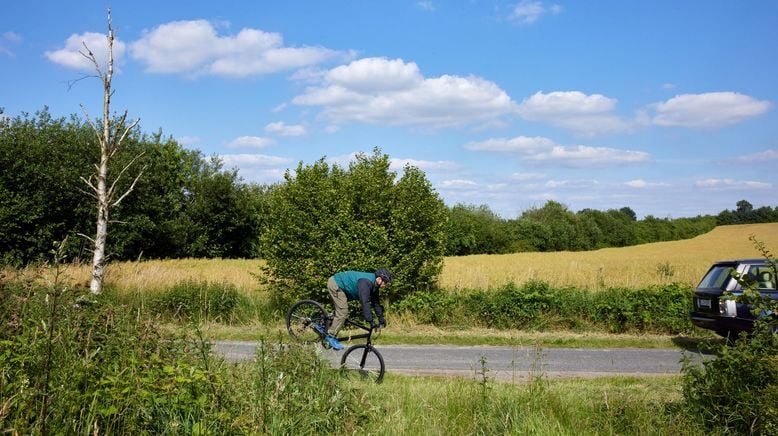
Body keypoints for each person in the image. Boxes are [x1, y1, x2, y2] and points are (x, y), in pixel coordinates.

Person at [319, 268, 391, 350]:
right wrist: (370, 321)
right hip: (336, 283)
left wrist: (381, 319)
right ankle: (330, 337)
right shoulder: (366, 283)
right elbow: (365, 303)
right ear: (379, 279)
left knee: (341, 310)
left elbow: (376, 303)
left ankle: (323, 323)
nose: (385, 284)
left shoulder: (374, 286)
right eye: (385, 282)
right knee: (343, 313)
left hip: (344, 287)